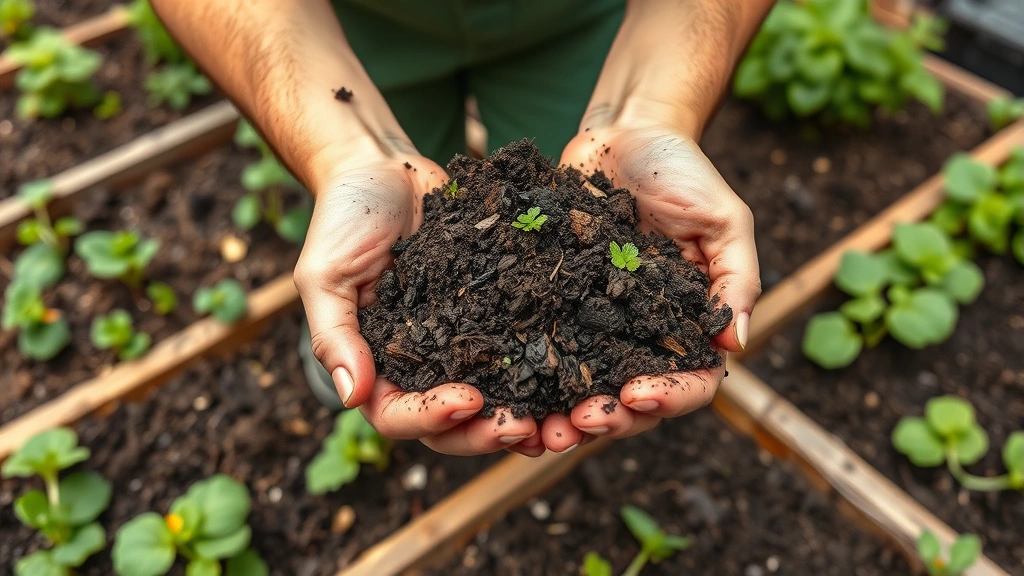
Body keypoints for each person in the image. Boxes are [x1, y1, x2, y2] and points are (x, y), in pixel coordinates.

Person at [151, 0, 768, 458]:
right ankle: (354, 344)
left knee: (586, 165)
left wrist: (647, 112)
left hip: (594, 23)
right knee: (387, 202)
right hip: (331, 25)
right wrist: (348, 150)